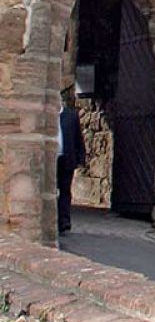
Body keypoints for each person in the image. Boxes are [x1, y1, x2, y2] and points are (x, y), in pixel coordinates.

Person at [57, 88, 87, 235]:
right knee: (50, 191)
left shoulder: (71, 116)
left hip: (66, 158)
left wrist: (81, 157)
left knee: (65, 190)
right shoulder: (45, 116)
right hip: (51, 159)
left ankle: (64, 221)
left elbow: (78, 137)